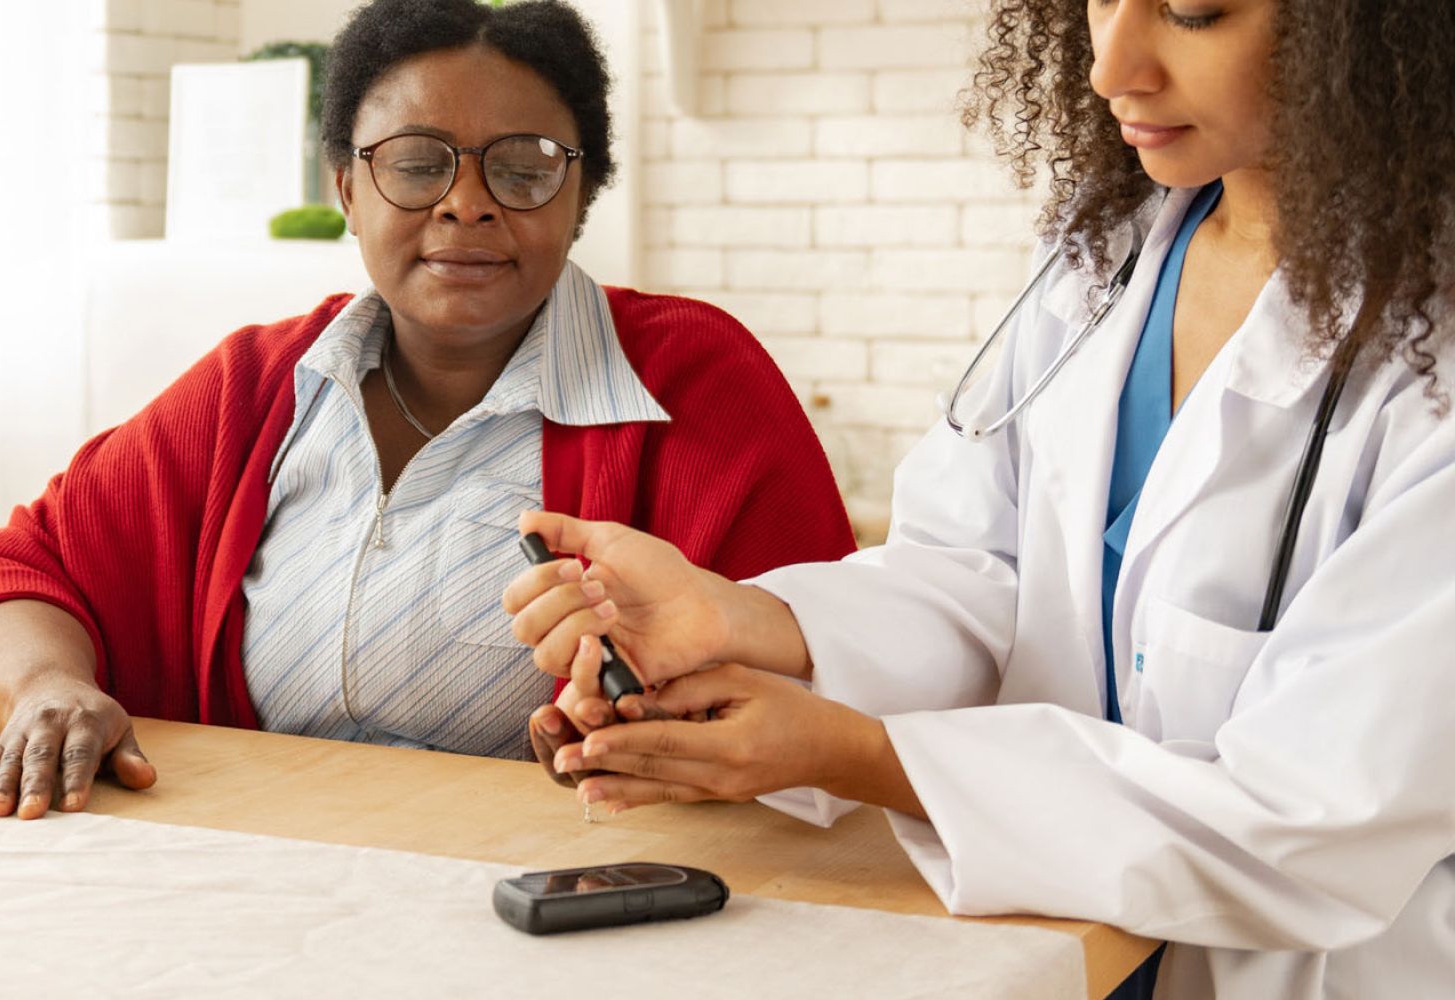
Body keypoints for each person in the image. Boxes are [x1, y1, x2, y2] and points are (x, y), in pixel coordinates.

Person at [504, 0, 1455, 997]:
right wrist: (741, 618)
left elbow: (1317, 817)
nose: (1110, 66)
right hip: (1057, 951)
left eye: (1191, 12)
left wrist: (857, 755)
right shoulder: (1101, 259)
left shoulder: (1428, 359)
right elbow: (973, 571)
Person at [0, 0, 853, 822]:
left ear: (582, 195)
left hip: (559, 891)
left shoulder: (695, 381)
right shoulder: (254, 385)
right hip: (272, 871)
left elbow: (832, 679)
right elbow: (2, 579)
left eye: (524, 169)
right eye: (415, 165)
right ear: (346, 190)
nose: (467, 205)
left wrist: (647, 730)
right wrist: (46, 686)